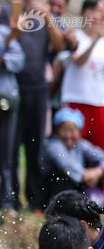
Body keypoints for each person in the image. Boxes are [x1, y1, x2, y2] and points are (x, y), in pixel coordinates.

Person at [14, 0, 67, 213]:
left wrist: (47, 17)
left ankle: (35, 200)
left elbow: (61, 45)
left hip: (39, 90)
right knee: (10, 150)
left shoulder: (49, 19)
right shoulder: (13, 13)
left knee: (36, 148)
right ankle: (10, 199)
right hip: (14, 88)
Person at [59, 0, 104, 155]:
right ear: (83, 13)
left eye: (101, 12)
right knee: (72, 152)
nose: (96, 16)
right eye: (92, 10)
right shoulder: (74, 36)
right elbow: (79, 61)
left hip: (100, 102)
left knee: (103, 150)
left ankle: (103, 179)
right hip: (76, 101)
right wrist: (96, 39)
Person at [42, 107, 104, 208]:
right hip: (54, 192)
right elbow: (66, 164)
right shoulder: (53, 145)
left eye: (72, 130)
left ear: (79, 131)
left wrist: (98, 172)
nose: (68, 135)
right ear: (57, 130)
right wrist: (85, 175)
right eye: (64, 129)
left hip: (79, 185)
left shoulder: (81, 144)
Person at [0, 16, 26, 215]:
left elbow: (19, 60)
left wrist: (3, 59)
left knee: (6, 153)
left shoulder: (5, 33)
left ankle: (7, 201)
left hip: (5, 99)